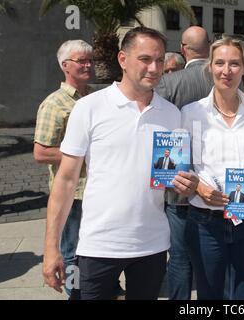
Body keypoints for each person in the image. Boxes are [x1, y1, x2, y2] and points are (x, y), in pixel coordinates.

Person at [42, 27, 199, 300]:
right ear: (122, 59)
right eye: (145, 59)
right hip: (99, 245)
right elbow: (65, 181)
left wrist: (186, 183)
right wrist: (51, 246)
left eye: (160, 60)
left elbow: (171, 177)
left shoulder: (172, 114)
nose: (154, 68)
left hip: (152, 244)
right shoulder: (89, 108)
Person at [181, 35, 244, 300]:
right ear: (209, 67)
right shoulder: (190, 112)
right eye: (219, 63)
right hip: (205, 221)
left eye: (234, 63)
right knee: (209, 294)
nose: (226, 70)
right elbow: (179, 165)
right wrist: (198, 187)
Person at [155, 26, 213, 300]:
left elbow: (159, 131)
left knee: (178, 256)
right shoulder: (228, 78)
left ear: (183, 48)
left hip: (178, 184)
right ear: (210, 46)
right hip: (215, 182)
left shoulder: (170, 82)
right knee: (211, 253)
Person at [33, 40, 93, 300]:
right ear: (65, 65)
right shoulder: (54, 104)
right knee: (72, 250)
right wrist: (82, 155)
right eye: (82, 61)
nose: (88, 65)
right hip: (74, 193)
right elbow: (41, 152)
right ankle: (75, 293)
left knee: (92, 248)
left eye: (90, 60)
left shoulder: (92, 98)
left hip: (95, 189)